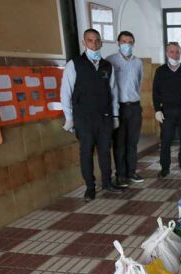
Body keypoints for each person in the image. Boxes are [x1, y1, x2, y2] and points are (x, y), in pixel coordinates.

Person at [61, 28, 123, 202]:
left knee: (105, 151)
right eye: (90, 40)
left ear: (101, 43)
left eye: (97, 41)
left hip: (104, 117)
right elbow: (65, 92)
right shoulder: (74, 64)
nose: (94, 44)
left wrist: (115, 115)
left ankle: (107, 182)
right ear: (84, 42)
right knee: (86, 152)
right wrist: (69, 117)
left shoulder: (106, 66)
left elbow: (113, 92)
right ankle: (90, 187)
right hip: (84, 118)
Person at [152, 41, 181, 178]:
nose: (175, 54)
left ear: (180, 53)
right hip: (167, 112)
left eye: (177, 51)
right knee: (166, 140)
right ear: (167, 53)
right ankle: (164, 168)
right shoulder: (160, 71)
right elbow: (155, 92)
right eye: (172, 52)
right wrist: (157, 110)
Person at [106, 30, 144, 188]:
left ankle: (131, 171)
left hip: (134, 107)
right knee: (119, 143)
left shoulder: (138, 62)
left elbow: (139, 82)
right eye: (124, 42)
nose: (126, 45)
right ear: (118, 43)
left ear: (133, 44)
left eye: (129, 42)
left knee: (133, 142)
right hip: (118, 108)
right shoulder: (110, 61)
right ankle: (120, 175)